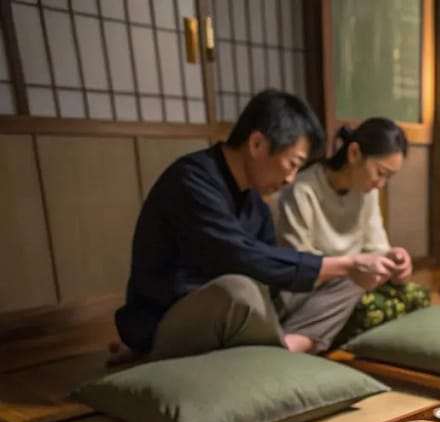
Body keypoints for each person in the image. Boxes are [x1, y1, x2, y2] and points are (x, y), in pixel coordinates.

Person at [112, 90, 401, 363]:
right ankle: (276, 350)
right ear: (257, 144)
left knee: (346, 280)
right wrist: (346, 262)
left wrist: (348, 270)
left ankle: (284, 346)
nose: (291, 178)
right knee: (238, 288)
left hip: (239, 315)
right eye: (292, 163)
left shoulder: (254, 201)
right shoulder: (191, 182)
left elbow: (270, 277)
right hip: (171, 317)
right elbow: (241, 258)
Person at [274, 118, 430, 344]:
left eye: (388, 178)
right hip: (311, 289)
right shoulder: (303, 189)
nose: (381, 184)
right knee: (356, 288)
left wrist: (395, 259)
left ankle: (305, 338)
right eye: (380, 172)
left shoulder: (368, 192)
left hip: (353, 283)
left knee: (416, 296)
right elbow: (298, 265)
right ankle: (297, 342)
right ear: (354, 152)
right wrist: (351, 267)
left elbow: (377, 247)